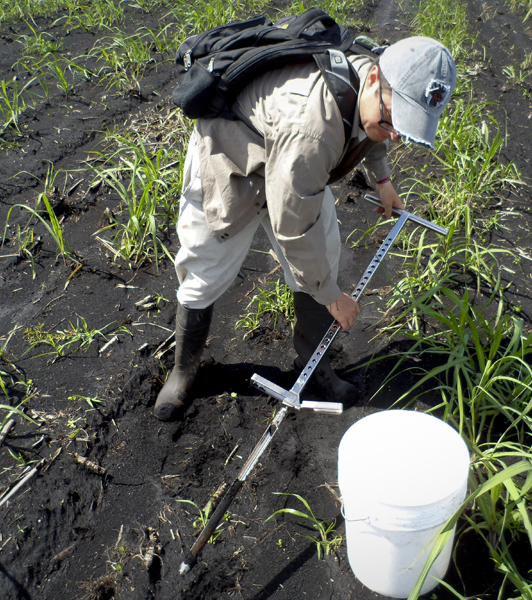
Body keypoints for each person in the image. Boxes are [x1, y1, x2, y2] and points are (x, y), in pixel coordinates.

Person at [154, 36, 457, 421]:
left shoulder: (369, 79)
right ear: (377, 78)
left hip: (292, 163)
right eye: (395, 122)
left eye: (407, 129)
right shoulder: (313, 126)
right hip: (232, 158)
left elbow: (372, 130)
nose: (396, 134)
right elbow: (293, 226)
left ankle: (313, 368)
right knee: (204, 270)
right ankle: (184, 372)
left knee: (324, 254)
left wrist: (382, 179)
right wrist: (332, 296)